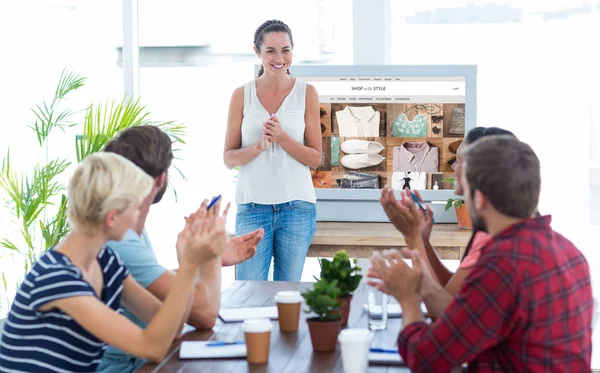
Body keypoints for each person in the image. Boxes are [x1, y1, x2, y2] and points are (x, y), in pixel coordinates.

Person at [369, 136, 593, 372]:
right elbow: (463, 321)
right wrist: (421, 283)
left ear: (479, 198)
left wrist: (408, 299)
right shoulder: (569, 250)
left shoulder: (503, 264)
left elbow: (425, 359)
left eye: (465, 190)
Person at [0, 153, 228, 372]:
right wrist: (189, 265)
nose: (140, 215)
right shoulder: (57, 278)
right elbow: (152, 347)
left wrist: (186, 256)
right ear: (112, 217)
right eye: (136, 207)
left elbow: (173, 328)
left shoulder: (105, 261)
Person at [96, 125, 264, 373]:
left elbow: (168, 315)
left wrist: (199, 260)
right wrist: (208, 256)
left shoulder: (126, 237)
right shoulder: (120, 241)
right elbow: (205, 315)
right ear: (160, 179)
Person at [375, 127, 517, 315]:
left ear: (477, 172)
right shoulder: (491, 231)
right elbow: (452, 293)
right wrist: (423, 241)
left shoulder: (493, 242)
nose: (453, 167)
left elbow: (444, 317)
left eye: (458, 161)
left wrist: (412, 235)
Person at [223, 19, 322, 281]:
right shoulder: (241, 95)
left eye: (285, 50)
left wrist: (282, 138)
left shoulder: (307, 93)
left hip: (297, 209)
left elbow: (315, 157)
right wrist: (257, 147)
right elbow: (229, 158)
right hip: (253, 208)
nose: (280, 58)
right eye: (271, 51)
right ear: (257, 52)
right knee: (248, 292)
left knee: (287, 294)